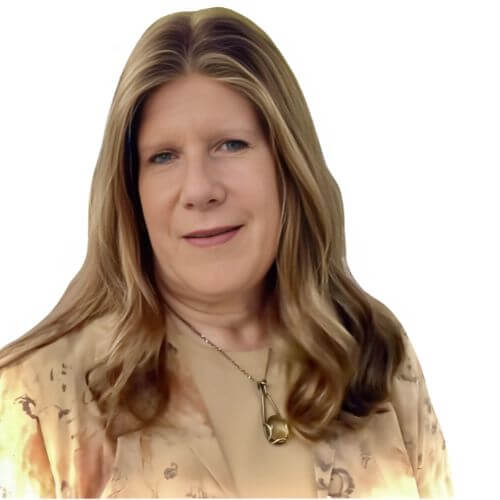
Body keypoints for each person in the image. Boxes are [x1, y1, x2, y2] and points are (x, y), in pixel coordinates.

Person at [0, 6, 453, 498]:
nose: (199, 189)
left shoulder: (371, 350)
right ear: (131, 190)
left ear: (288, 165)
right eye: (164, 156)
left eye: (231, 145)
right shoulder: (35, 397)